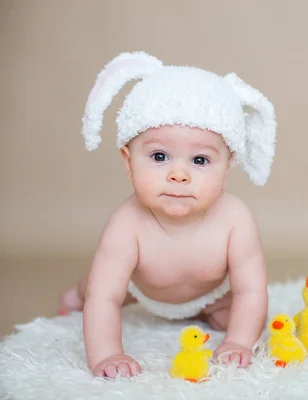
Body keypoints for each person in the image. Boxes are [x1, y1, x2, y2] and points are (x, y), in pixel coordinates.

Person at [59, 51, 276, 378]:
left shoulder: (236, 219)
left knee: (248, 317)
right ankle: (74, 294)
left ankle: (212, 317)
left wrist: (239, 343)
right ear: (128, 161)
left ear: (228, 167)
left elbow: (251, 290)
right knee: (98, 286)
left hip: (207, 296)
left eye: (200, 161)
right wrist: (107, 355)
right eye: (159, 156)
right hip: (140, 288)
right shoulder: (126, 224)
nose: (179, 174)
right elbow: (105, 298)